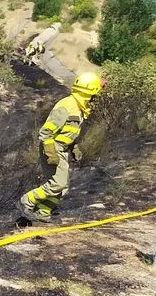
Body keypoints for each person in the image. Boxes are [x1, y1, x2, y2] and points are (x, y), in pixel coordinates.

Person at [18, 71, 104, 223]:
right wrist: (51, 153)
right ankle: (26, 201)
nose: (95, 97)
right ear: (89, 92)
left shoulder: (78, 107)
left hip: (62, 148)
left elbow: (67, 132)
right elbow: (46, 132)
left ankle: (43, 211)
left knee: (63, 187)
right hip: (52, 147)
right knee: (58, 183)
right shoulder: (67, 105)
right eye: (95, 94)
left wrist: (73, 147)